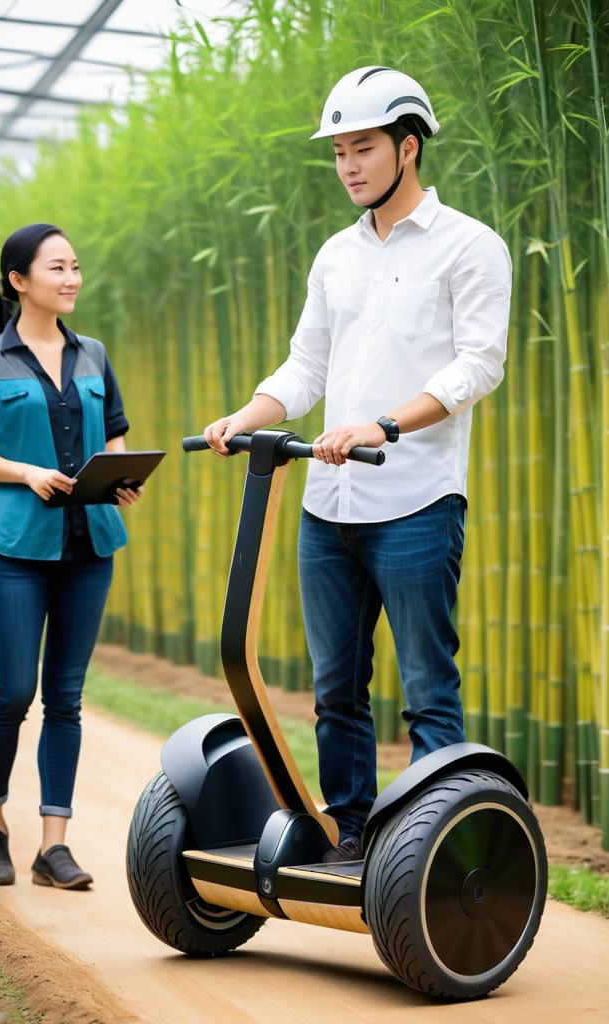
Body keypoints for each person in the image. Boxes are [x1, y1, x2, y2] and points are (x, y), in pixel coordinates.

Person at [204, 67, 511, 863]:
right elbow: (305, 368)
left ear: (408, 147)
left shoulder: (469, 246)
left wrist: (382, 423)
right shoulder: (335, 255)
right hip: (326, 507)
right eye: (339, 151)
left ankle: (439, 850)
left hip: (415, 504)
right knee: (335, 692)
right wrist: (245, 417)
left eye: (363, 148)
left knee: (427, 695)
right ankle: (351, 832)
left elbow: (477, 367)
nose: (348, 165)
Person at [0, 223, 143, 888]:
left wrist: (120, 476)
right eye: (57, 268)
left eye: (76, 267)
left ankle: (53, 846)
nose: (71, 279)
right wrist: (25, 472)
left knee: (66, 698)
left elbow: (115, 432)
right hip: (17, 551)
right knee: (14, 694)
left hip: (90, 545)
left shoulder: (92, 353)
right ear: (18, 281)